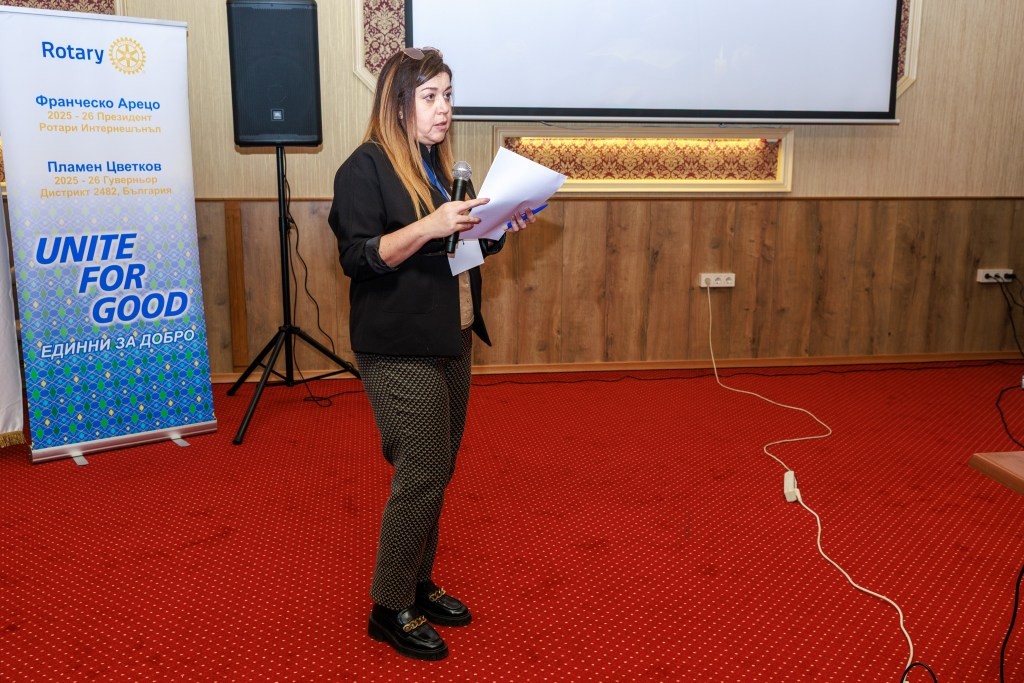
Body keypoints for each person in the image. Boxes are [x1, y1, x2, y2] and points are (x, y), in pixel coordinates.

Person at [327, 46, 535, 661]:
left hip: (452, 336)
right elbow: (358, 257)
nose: (444, 109)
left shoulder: (437, 167)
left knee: (438, 469)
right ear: (398, 105)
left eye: (448, 96)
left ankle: (417, 582)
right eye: (430, 97)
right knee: (420, 469)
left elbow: (454, 252)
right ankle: (388, 606)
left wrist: (495, 228)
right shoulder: (363, 168)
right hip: (397, 345)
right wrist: (430, 225)